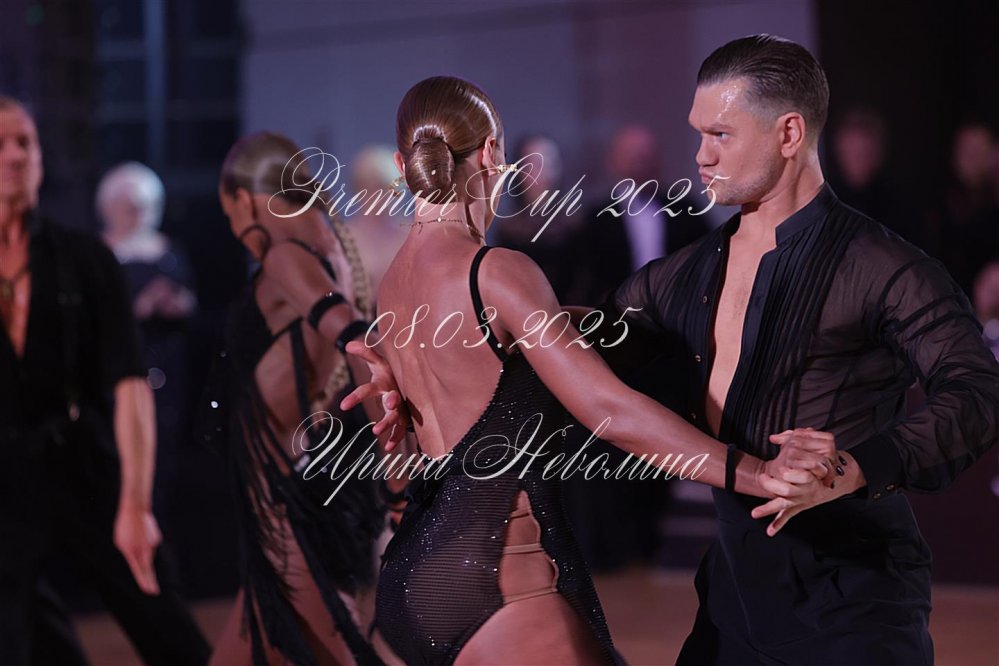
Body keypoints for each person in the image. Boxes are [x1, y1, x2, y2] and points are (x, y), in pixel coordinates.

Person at [347, 75, 848, 666]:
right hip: (499, 582)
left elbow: (407, 452)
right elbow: (611, 410)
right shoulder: (495, 271)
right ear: (490, 155)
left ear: (405, 164)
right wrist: (758, 474)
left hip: (415, 576)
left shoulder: (392, 286)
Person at [590, 35, 999, 664]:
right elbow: (587, 346)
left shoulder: (880, 264)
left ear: (788, 134)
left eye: (720, 134)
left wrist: (854, 466)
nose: (700, 155)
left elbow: (978, 391)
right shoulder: (686, 272)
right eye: (699, 133)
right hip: (732, 600)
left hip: (855, 600)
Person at [0, 96, 210, 665]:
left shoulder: (86, 260)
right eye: (1, 144)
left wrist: (136, 504)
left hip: (85, 464)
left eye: (25, 142)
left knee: (165, 626)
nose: (15, 156)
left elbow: (130, 382)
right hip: (6, 484)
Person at [205, 131, 401, 665]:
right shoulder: (327, 248)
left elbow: (353, 336)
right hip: (285, 506)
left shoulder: (286, 257)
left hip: (290, 510)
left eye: (229, 215)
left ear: (245, 201)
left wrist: (397, 473)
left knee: (341, 654)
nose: (233, 230)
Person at [97, 161, 198, 540]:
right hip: (124, 363)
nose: (136, 214)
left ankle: (160, 533)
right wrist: (138, 308)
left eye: (142, 206)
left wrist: (176, 303)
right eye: (128, 206)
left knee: (165, 451)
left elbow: (191, 298)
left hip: (168, 364)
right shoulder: (102, 252)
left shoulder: (168, 249)